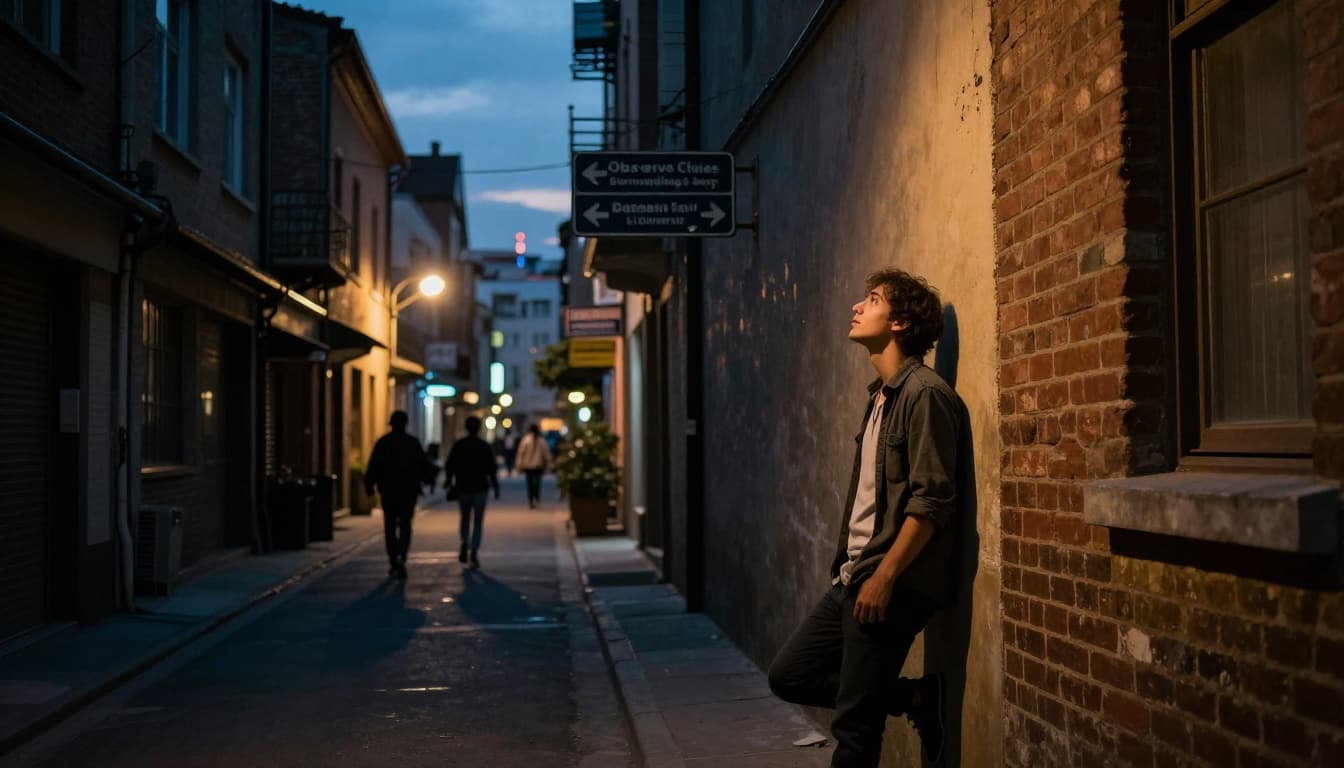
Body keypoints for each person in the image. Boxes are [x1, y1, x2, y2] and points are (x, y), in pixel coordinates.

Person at [767, 268, 968, 767]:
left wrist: (884, 577)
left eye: (872, 299)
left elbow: (932, 501)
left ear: (899, 323)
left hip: (891, 582)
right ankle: (913, 698)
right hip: (854, 575)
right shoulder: (880, 397)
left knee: (855, 732)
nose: (857, 307)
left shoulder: (924, 395)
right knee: (789, 675)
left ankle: (899, 698)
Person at [364, 411, 435, 580]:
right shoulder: (412, 443)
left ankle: (393, 558)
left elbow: (373, 465)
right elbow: (423, 465)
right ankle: (401, 555)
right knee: (405, 524)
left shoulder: (383, 443)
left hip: (388, 491)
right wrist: (427, 480)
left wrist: (369, 485)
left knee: (389, 525)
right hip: (408, 491)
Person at [444, 416, 500, 569]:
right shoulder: (484, 446)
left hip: (463, 486)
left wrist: (449, 480)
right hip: (480, 487)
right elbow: (492, 468)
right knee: (478, 520)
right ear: (479, 428)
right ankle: (474, 550)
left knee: (465, 517)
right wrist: (496, 487)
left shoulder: (459, 445)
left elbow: (450, 464)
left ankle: (465, 541)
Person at [515, 424, 554, 508]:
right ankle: (536, 499)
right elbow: (547, 454)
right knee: (537, 483)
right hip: (537, 465)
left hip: (529, 466)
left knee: (530, 484)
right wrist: (549, 465)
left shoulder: (526, 440)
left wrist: (519, 465)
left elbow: (521, 453)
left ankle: (531, 500)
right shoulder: (541, 441)